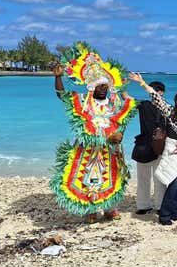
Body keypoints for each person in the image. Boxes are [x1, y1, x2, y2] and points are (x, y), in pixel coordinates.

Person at [51, 43, 136, 223]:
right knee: (86, 175)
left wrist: (119, 135)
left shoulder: (114, 102)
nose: (103, 88)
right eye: (100, 86)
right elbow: (62, 95)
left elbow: (123, 118)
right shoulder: (82, 101)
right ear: (92, 87)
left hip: (111, 147)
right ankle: (90, 209)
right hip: (88, 147)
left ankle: (110, 209)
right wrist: (58, 78)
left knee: (113, 174)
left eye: (105, 86)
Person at [128, 72, 177, 226]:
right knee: (173, 180)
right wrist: (142, 82)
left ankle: (175, 211)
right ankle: (164, 215)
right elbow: (156, 98)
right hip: (171, 149)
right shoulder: (171, 112)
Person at [131, 80, 167, 215]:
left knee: (158, 178)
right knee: (144, 178)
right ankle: (144, 205)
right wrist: (118, 85)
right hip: (147, 146)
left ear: (161, 92)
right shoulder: (144, 104)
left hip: (158, 146)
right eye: (153, 89)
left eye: (157, 90)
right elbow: (127, 99)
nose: (155, 93)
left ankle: (158, 205)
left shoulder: (165, 108)